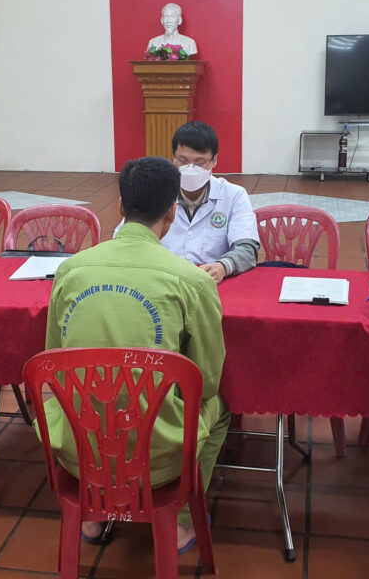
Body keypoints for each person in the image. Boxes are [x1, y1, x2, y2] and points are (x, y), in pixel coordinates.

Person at [44, 156, 230, 553]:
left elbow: (53, 362)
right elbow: (207, 382)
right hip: (156, 460)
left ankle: (93, 515)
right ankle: (181, 521)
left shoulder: (71, 271)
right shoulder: (193, 282)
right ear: (172, 212)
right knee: (221, 408)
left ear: (120, 206)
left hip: (79, 450)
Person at [163, 120, 260, 283]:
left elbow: (247, 249)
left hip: (212, 282)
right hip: (165, 281)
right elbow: (127, 238)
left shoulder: (233, 195)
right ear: (173, 159)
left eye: (199, 163)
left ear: (214, 160)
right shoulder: (157, 193)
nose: (190, 169)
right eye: (183, 161)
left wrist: (223, 266)